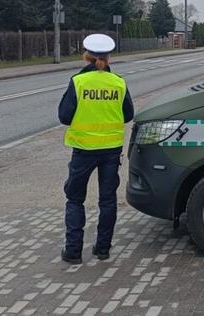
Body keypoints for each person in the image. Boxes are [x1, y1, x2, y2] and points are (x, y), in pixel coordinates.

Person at [57, 34, 134, 264]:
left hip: (83, 150)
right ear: (108, 58)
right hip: (111, 151)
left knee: (74, 198)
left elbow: (63, 116)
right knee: (108, 200)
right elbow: (128, 115)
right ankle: (103, 249)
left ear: (86, 56)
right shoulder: (118, 82)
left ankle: (73, 252)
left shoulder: (78, 82)